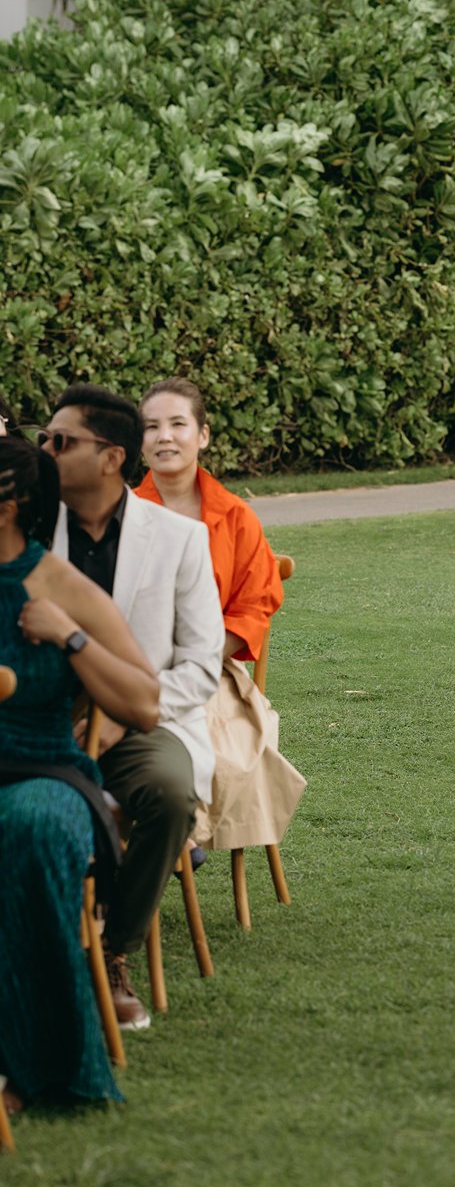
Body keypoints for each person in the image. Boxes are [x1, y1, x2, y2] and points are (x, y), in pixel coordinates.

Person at [44, 384, 224, 1032]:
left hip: (143, 723)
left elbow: (202, 666)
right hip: (43, 722)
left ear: (111, 457)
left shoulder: (180, 539)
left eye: (60, 441)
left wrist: (121, 712)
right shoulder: (27, 527)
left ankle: (112, 948)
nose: (45, 450)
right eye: (44, 438)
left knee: (172, 795)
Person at [0, 430, 159, 1120]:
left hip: (44, 771)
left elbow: (145, 704)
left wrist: (69, 636)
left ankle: (34, 1062)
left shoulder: (60, 585)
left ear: (9, 503)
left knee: (32, 828)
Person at [136, 378, 304, 855]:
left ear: (202, 435)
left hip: (212, 667)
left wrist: (196, 656)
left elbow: (254, 606)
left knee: (196, 724)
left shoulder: (236, 517)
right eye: (151, 427)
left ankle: (177, 829)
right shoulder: (121, 514)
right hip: (130, 666)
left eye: (177, 424)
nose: (164, 436)